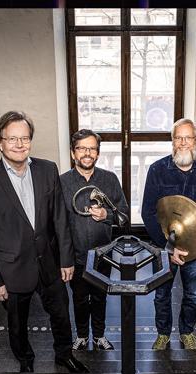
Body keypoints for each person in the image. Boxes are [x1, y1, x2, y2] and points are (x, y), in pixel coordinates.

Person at [0, 111, 88, 373]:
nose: (20, 144)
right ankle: (25, 361)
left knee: (60, 313)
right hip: (11, 270)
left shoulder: (48, 170)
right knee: (17, 323)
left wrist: (66, 259)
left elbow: (60, 219)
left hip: (49, 262)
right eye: (12, 139)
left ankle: (64, 354)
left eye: (25, 138)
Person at [142, 118, 196, 351]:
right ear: (172, 141)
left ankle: (187, 332)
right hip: (164, 246)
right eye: (178, 138)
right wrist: (167, 247)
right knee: (161, 294)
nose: (183, 143)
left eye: (188, 137)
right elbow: (147, 212)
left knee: (192, 294)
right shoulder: (157, 169)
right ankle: (163, 333)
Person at [60, 129, 128, 351]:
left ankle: (98, 336)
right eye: (81, 148)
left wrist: (106, 215)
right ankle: (81, 336)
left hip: (103, 256)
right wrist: (64, 260)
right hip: (76, 257)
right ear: (73, 153)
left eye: (92, 149)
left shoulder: (109, 179)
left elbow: (124, 218)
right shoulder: (61, 183)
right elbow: (57, 225)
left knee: (100, 298)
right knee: (79, 299)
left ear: (98, 153)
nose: (87, 153)